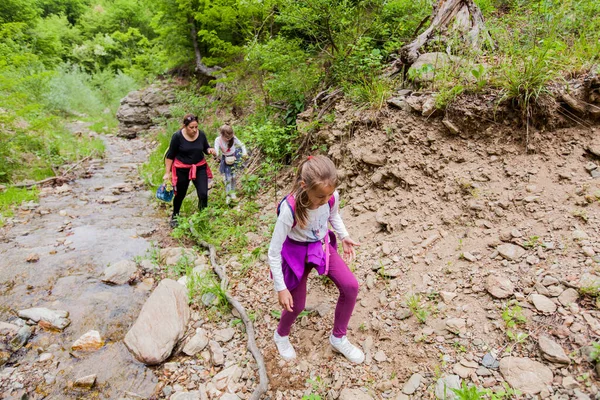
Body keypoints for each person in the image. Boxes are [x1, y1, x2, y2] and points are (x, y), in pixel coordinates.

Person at [268, 155, 364, 363]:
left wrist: (344, 235)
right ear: (305, 186)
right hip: (295, 253)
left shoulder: (330, 196)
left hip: (321, 247)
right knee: (297, 304)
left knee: (350, 286)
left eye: (328, 195)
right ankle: (281, 335)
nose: (325, 200)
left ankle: (338, 338)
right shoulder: (289, 209)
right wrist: (281, 288)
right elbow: (274, 252)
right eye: (320, 196)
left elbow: (333, 215)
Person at [163, 114, 217, 228]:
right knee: (180, 194)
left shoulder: (201, 134)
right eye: (191, 127)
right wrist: (167, 173)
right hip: (182, 168)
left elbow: (205, 148)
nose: (194, 130)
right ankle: (175, 216)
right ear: (185, 126)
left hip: (199, 167)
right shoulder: (177, 136)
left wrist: (210, 150)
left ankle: (203, 216)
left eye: (196, 127)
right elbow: (170, 155)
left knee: (203, 194)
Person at [214, 124, 247, 204]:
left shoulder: (233, 138)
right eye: (227, 138)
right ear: (221, 135)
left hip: (234, 157)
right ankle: (228, 195)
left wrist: (244, 152)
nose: (229, 139)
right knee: (228, 178)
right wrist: (216, 154)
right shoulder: (218, 140)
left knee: (234, 176)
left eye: (230, 137)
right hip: (226, 158)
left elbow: (242, 144)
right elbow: (216, 149)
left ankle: (233, 192)